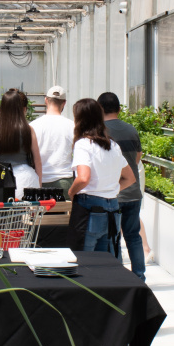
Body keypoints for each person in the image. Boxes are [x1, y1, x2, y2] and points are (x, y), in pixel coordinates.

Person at [67, 98, 136, 255]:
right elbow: (130, 178)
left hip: (88, 209)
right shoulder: (113, 145)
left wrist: (71, 192)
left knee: (83, 260)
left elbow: (84, 178)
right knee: (106, 264)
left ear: (79, 120)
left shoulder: (83, 144)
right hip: (112, 209)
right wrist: (112, 189)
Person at [97, 92, 146, 279]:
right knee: (133, 236)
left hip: (112, 194)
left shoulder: (100, 131)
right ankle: (139, 276)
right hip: (133, 193)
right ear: (119, 109)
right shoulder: (131, 130)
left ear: (99, 109)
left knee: (113, 237)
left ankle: (117, 277)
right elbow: (137, 157)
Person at [0, 88, 43, 200]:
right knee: (27, 215)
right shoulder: (28, 129)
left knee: (3, 216)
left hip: (1, 178)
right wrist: (39, 183)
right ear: (22, 109)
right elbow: (37, 160)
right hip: (26, 178)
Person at [29, 85, 75, 195]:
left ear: (46, 100)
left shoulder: (33, 126)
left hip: (39, 180)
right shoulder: (72, 126)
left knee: (40, 213)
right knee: (64, 212)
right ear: (64, 103)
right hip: (64, 181)